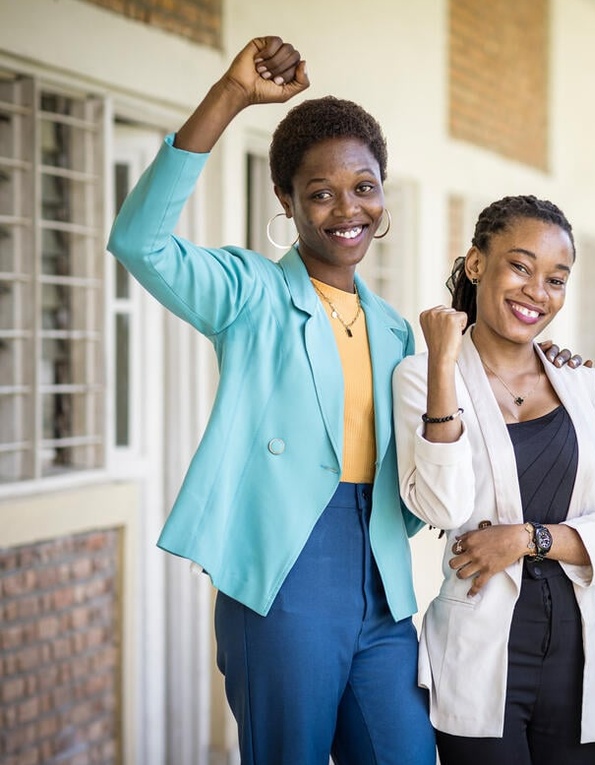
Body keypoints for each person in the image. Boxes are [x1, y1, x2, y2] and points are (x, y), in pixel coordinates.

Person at [106, 37, 434, 764]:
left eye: (364, 186)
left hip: (382, 580)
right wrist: (229, 97)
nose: (347, 208)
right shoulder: (250, 292)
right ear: (287, 201)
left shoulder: (392, 327)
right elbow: (139, 241)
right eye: (320, 191)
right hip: (285, 574)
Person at [393, 196, 595, 765]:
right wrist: (441, 364)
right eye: (521, 267)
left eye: (556, 279)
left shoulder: (587, 386)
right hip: (480, 650)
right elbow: (440, 504)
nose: (537, 291)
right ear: (476, 264)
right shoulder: (422, 377)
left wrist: (528, 538)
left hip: (578, 656)